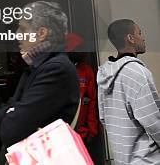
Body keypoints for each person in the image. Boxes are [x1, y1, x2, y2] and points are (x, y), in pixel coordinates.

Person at [0, 1, 79, 164]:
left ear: (42, 33)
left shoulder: (55, 69)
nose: (17, 34)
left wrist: (8, 113)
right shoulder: (40, 66)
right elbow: (8, 117)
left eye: (23, 29)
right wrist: (9, 114)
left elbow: (10, 128)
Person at [97, 19, 160, 165]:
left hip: (122, 158)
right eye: (139, 33)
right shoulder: (137, 71)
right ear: (130, 38)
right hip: (147, 160)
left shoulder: (104, 74)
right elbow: (153, 121)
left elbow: (103, 117)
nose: (143, 38)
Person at [65, 33, 99, 144]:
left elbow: (91, 102)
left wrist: (92, 131)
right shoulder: (60, 70)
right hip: (63, 132)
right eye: (77, 48)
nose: (81, 52)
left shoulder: (86, 70)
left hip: (82, 132)